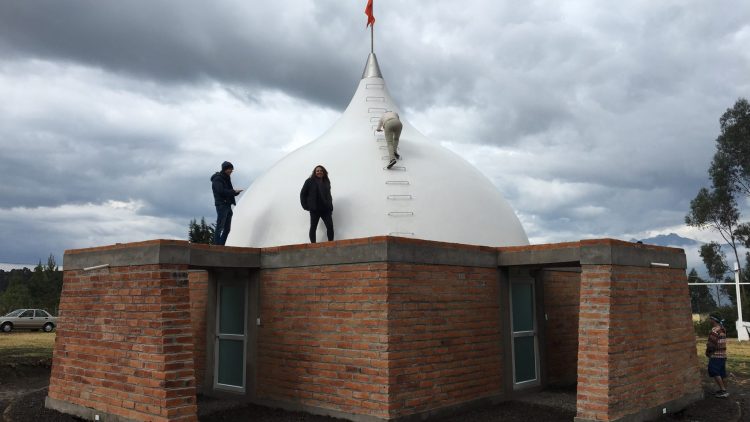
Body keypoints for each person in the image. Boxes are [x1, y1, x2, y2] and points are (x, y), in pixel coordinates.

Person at [211, 161, 243, 245]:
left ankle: (221, 245)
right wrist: (233, 191)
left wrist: (235, 193)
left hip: (227, 205)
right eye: (230, 169)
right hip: (222, 205)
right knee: (220, 227)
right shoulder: (217, 179)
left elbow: (228, 192)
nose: (231, 171)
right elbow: (220, 191)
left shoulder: (226, 178)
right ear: (225, 169)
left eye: (232, 170)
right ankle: (217, 246)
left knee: (227, 229)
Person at [300, 165, 334, 243]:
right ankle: (313, 245)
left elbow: (329, 195)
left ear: (324, 172)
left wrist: (330, 206)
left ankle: (331, 244)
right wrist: (306, 206)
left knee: (330, 226)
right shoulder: (309, 181)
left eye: (321, 171)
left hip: (326, 209)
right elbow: (303, 194)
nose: (319, 172)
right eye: (317, 171)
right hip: (315, 209)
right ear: (315, 172)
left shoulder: (326, 182)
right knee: (313, 227)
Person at [706, 314, 729, 398]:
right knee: (722, 373)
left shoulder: (715, 331)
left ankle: (723, 391)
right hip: (723, 355)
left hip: (716, 355)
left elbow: (711, 345)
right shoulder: (722, 329)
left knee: (713, 371)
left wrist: (708, 353)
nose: (709, 320)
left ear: (714, 320)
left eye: (710, 319)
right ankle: (724, 390)